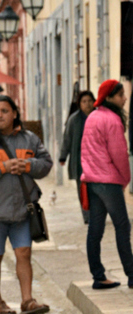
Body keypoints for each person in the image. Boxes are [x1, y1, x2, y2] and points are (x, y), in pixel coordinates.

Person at [0, 95, 53, 314]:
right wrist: (2, 167)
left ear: (14, 113)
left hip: (23, 210)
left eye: (4, 111)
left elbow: (46, 164)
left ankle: (27, 300)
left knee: (23, 253)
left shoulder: (29, 139)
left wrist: (28, 165)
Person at [80, 80, 133, 290]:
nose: (125, 98)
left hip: (92, 180)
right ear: (109, 98)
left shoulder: (92, 117)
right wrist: (125, 179)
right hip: (108, 181)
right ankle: (131, 274)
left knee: (95, 229)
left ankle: (98, 276)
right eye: (121, 95)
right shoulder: (112, 120)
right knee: (123, 226)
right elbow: (120, 154)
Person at [59, 90, 95, 224]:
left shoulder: (99, 116)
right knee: (83, 189)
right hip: (80, 160)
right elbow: (67, 139)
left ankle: (96, 213)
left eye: (90, 101)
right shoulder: (74, 120)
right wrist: (63, 156)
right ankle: (87, 216)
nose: (87, 104)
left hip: (97, 160)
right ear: (79, 104)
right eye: (84, 102)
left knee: (97, 189)